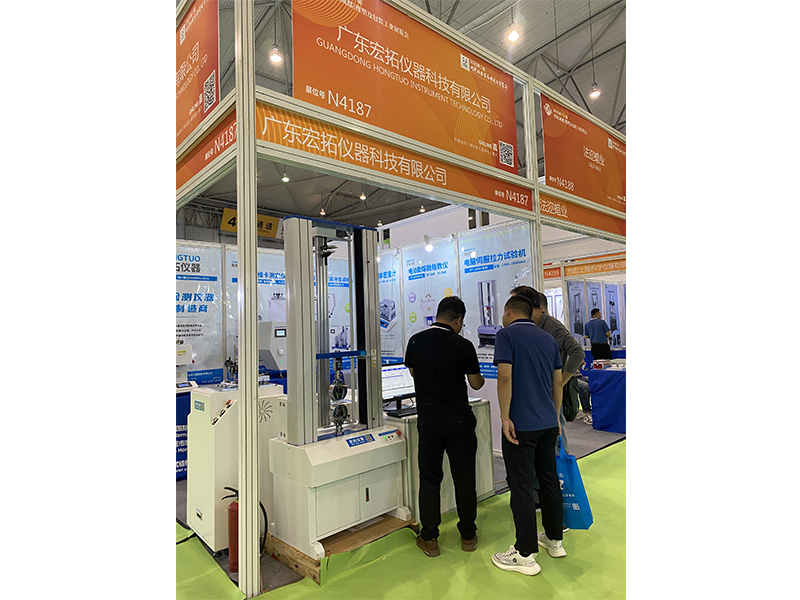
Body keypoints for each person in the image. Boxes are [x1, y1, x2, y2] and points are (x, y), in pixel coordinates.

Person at [404, 296, 485, 558]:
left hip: (428, 422)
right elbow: (476, 383)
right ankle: (468, 536)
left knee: (429, 480)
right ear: (458, 320)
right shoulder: (463, 345)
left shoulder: (415, 341)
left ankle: (430, 539)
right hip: (459, 422)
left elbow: (414, 372)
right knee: (464, 479)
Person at [491, 295, 565, 576]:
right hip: (547, 422)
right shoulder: (548, 339)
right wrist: (555, 417)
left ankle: (524, 554)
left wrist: (505, 417)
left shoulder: (506, 336)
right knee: (548, 480)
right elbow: (557, 382)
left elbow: (505, 377)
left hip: (520, 425)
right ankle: (554, 540)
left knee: (521, 485)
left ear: (509, 311)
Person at [510, 287, 585, 447]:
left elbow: (578, 352)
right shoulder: (528, 327)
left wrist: (560, 383)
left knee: (556, 434)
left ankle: (559, 462)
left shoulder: (553, 326)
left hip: (550, 393)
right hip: (533, 392)